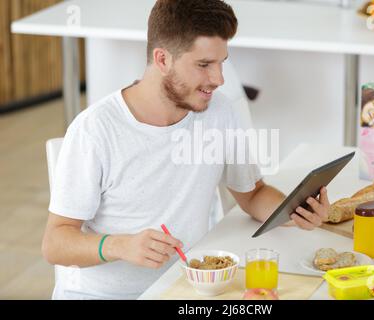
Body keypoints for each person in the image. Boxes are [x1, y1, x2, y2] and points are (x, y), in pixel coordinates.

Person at [42, 0, 330, 300]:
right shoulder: (95, 130)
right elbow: (55, 243)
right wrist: (119, 245)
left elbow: (253, 194)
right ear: (162, 59)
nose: (219, 79)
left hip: (183, 289)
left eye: (221, 63)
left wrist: (296, 210)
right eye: (204, 65)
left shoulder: (219, 112)